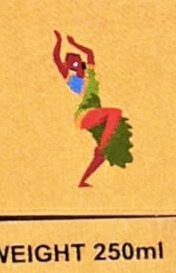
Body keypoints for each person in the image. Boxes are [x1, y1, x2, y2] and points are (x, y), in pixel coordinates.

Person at [51, 31, 132, 190]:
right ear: (69, 67)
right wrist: (59, 41)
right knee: (115, 113)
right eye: (71, 63)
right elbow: (56, 59)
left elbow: (89, 53)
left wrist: (74, 44)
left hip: (98, 115)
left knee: (107, 151)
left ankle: (83, 180)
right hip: (85, 114)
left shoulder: (91, 74)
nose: (75, 64)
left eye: (76, 60)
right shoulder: (73, 80)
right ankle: (100, 147)